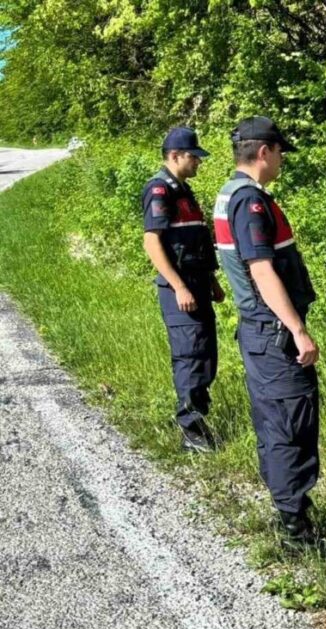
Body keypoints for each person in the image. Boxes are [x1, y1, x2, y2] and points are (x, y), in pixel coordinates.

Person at [213, 116, 321, 548]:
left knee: (278, 422)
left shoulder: (229, 195)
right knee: (288, 424)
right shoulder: (250, 202)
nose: (281, 161)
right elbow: (260, 269)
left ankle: (293, 511)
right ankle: (296, 529)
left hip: (261, 331)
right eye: (279, 152)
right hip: (273, 331)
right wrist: (297, 329)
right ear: (264, 152)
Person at [141, 126, 224, 453]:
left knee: (205, 356)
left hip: (198, 285)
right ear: (175, 156)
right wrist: (178, 286)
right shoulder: (160, 190)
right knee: (190, 357)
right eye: (194, 157)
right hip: (181, 291)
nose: (198, 162)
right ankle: (191, 432)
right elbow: (152, 242)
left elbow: (196, 241)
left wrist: (212, 281)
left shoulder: (184, 192)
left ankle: (199, 423)